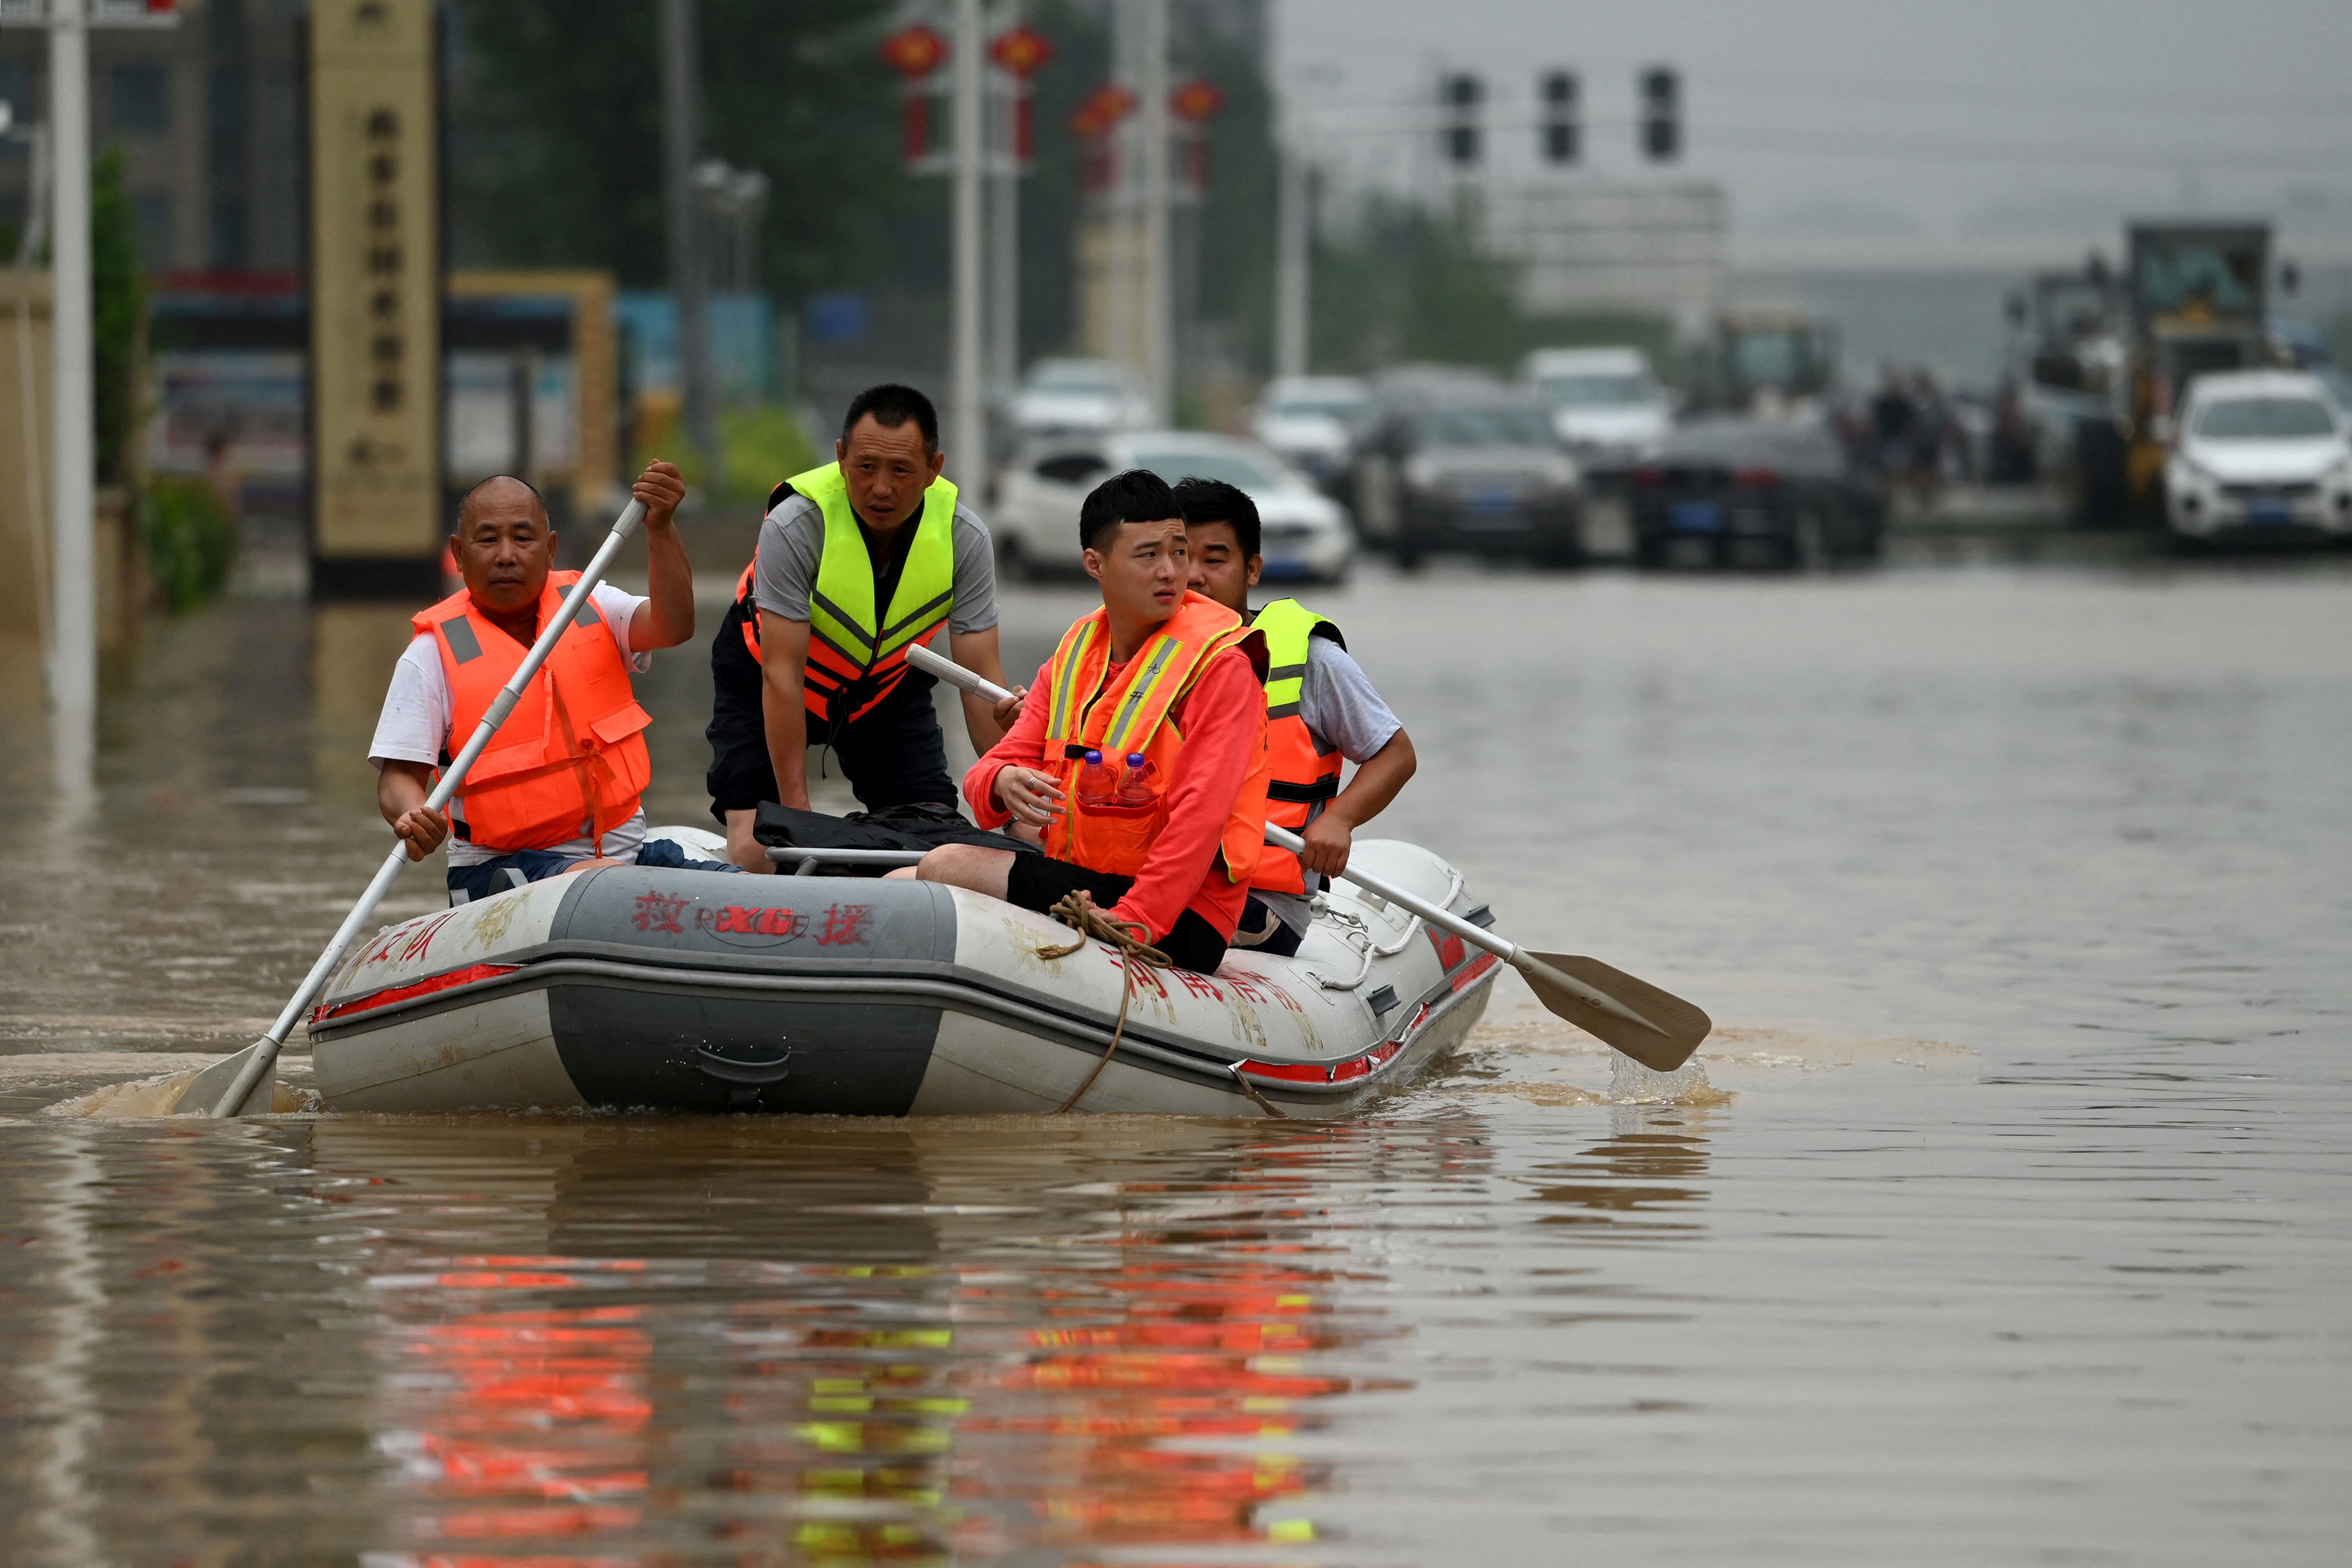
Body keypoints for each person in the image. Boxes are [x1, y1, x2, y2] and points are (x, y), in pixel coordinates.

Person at [910, 469, 1270, 975]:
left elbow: (1201, 818)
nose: (1173, 572)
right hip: (1086, 878)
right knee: (910, 878)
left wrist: (1135, 921)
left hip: (1184, 913)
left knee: (945, 866)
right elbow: (986, 771)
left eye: (1179, 552)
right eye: (1149, 555)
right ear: (1095, 564)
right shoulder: (1076, 652)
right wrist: (1003, 781)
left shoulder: (1224, 664)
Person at [370, 462, 728, 904]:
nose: (506, 555)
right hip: (499, 868)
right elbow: (399, 777)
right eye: (488, 539)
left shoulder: (592, 602)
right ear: (459, 554)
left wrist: (660, 529)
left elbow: (673, 625)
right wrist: (412, 815)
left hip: (625, 855)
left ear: (550, 548)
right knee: (608, 885)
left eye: (522, 538)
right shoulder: (430, 655)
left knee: (741, 887)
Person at [706, 384, 1022, 874]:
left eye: (901, 470)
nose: (881, 488)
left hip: (885, 688)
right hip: (767, 678)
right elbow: (781, 676)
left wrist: (1012, 797)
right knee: (759, 851)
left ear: (934, 469)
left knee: (937, 839)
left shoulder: (966, 537)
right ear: (840, 456)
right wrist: (796, 811)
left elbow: (980, 680)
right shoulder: (796, 525)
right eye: (866, 466)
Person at [1177, 476, 1416, 957]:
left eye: (1215, 559)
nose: (1195, 576)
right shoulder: (1136, 654)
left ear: (1252, 570)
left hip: (1262, 900)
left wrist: (1340, 819)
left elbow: (1396, 754)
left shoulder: (1309, 659)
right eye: (1181, 558)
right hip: (1156, 876)